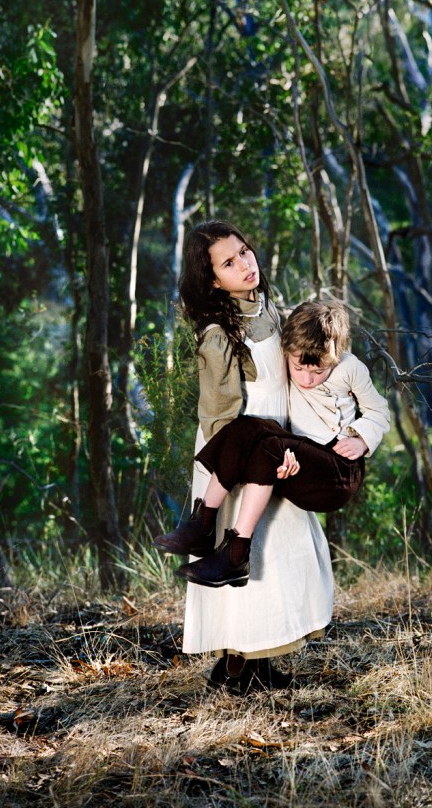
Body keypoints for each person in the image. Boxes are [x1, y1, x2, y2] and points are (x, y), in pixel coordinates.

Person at [158, 220, 333, 694]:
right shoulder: (219, 333)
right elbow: (220, 416)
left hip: (276, 449)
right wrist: (241, 468)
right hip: (235, 458)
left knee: (278, 555)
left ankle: (259, 663)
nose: (244, 264)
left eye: (244, 252)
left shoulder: (269, 310)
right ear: (213, 280)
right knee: (240, 556)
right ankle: (233, 669)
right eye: (228, 263)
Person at [155, 298, 390, 590]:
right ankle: (202, 524)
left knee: (270, 447)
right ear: (288, 352)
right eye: (299, 368)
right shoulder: (288, 348)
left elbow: (379, 410)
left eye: (318, 372)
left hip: (338, 471)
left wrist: (362, 440)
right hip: (301, 457)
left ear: (336, 356)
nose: (307, 379)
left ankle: (235, 555)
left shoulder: (350, 368)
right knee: (244, 427)